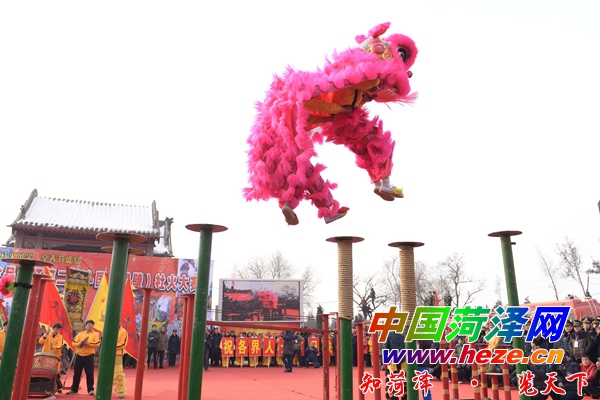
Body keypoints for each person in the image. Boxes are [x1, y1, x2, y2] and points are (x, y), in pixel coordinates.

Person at [67, 319, 101, 396]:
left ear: (93, 326)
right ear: (85, 326)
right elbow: (74, 342)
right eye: (88, 324)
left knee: (89, 373)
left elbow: (97, 343)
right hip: (79, 356)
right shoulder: (80, 334)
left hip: (89, 356)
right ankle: (74, 389)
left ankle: (90, 389)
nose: (90, 326)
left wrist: (88, 344)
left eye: (91, 324)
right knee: (77, 373)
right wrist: (79, 343)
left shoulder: (95, 334)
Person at [39, 322, 64, 393]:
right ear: (53, 328)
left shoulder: (60, 337)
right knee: (45, 371)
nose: (57, 331)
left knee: (57, 372)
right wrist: (45, 334)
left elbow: (60, 345)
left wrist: (54, 347)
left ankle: (59, 388)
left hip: (55, 357)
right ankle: (44, 386)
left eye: (59, 329)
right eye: (56, 329)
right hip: (46, 356)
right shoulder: (47, 334)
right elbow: (41, 341)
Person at [113, 325, 128, 399]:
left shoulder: (123, 331)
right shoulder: (110, 329)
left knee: (118, 374)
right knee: (104, 373)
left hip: (117, 354)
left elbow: (123, 343)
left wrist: (112, 347)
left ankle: (121, 392)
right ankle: (102, 390)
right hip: (107, 355)